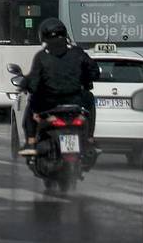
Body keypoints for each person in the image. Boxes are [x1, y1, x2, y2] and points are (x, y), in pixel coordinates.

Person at [19, 18, 100, 155]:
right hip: (76, 101)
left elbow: (33, 83)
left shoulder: (42, 56)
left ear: (43, 35)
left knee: (31, 103)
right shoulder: (77, 52)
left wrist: (27, 85)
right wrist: (85, 81)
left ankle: (31, 142)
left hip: (48, 103)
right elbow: (94, 72)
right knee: (90, 98)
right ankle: (90, 139)